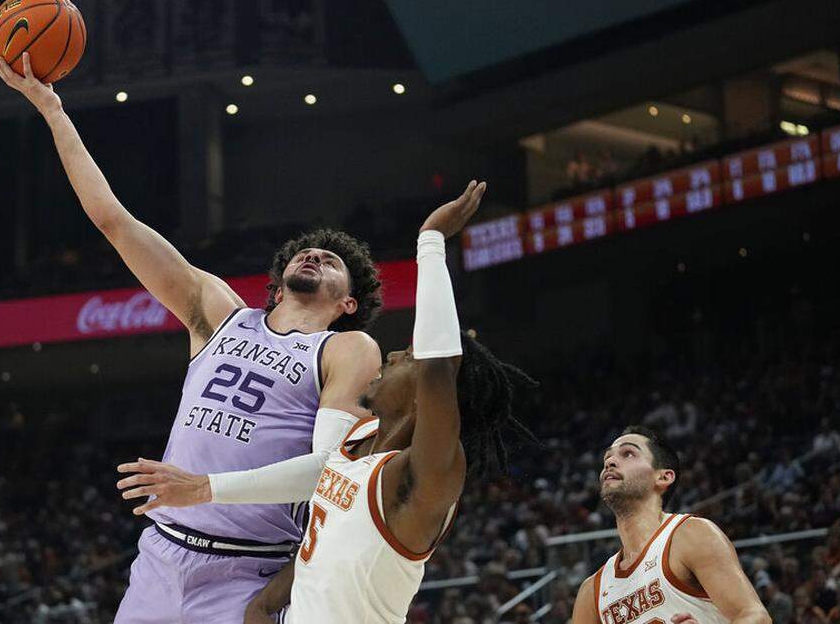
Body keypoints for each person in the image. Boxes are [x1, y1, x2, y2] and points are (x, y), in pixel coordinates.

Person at [0, 52, 383, 624]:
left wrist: (204, 488)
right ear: (275, 285)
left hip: (248, 573)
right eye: (309, 250)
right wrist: (53, 110)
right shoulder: (218, 313)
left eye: (335, 262)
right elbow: (114, 221)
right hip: (160, 558)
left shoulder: (346, 348)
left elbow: (328, 470)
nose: (318, 253)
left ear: (347, 304)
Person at [120, 181, 537, 623]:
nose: (391, 356)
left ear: (429, 394)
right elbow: (311, 547)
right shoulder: (348, 452)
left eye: (406, 357)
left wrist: (431, 243)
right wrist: (261, 608)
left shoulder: (425, 472)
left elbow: (438, 365)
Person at [571, 426, 772, 624]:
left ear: (663, 477)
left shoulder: (692, 535)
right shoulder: (592, 592)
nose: (610, 462)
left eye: (628, 454)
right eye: (607, 457)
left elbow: (756, 617)